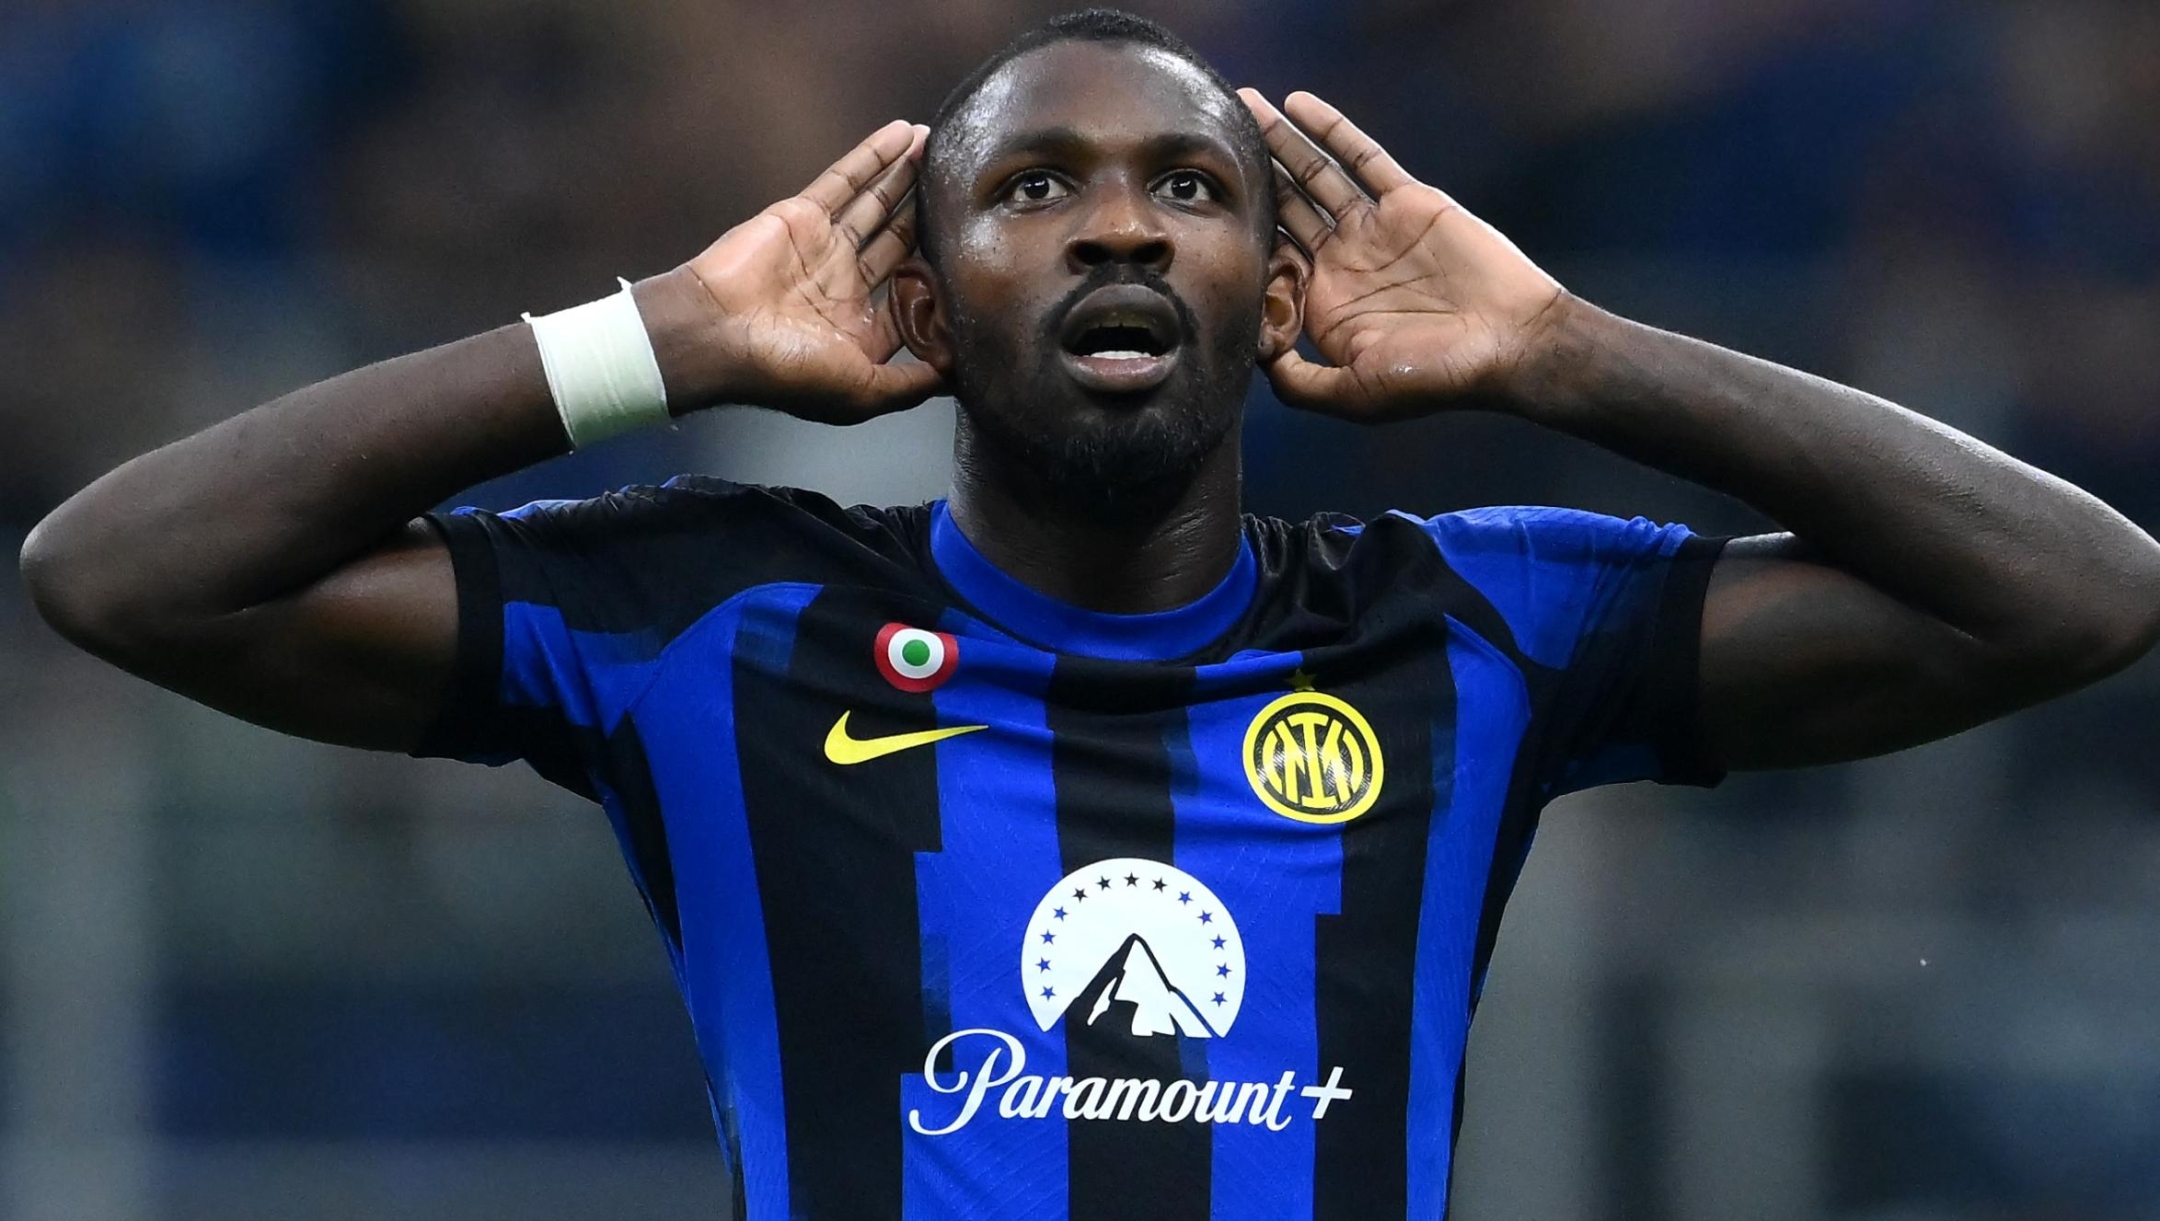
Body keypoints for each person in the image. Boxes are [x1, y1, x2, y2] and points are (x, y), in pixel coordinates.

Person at [18, 8, 2160, 1219]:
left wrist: (1569, 349)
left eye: (1191, 188)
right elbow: (117, 568)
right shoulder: (719, 618)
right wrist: (656, 334)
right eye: (1035, 189)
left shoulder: (1464, 624)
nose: (1119, 219)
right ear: (924, 305)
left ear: (1282, 291)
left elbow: (2080, 594)